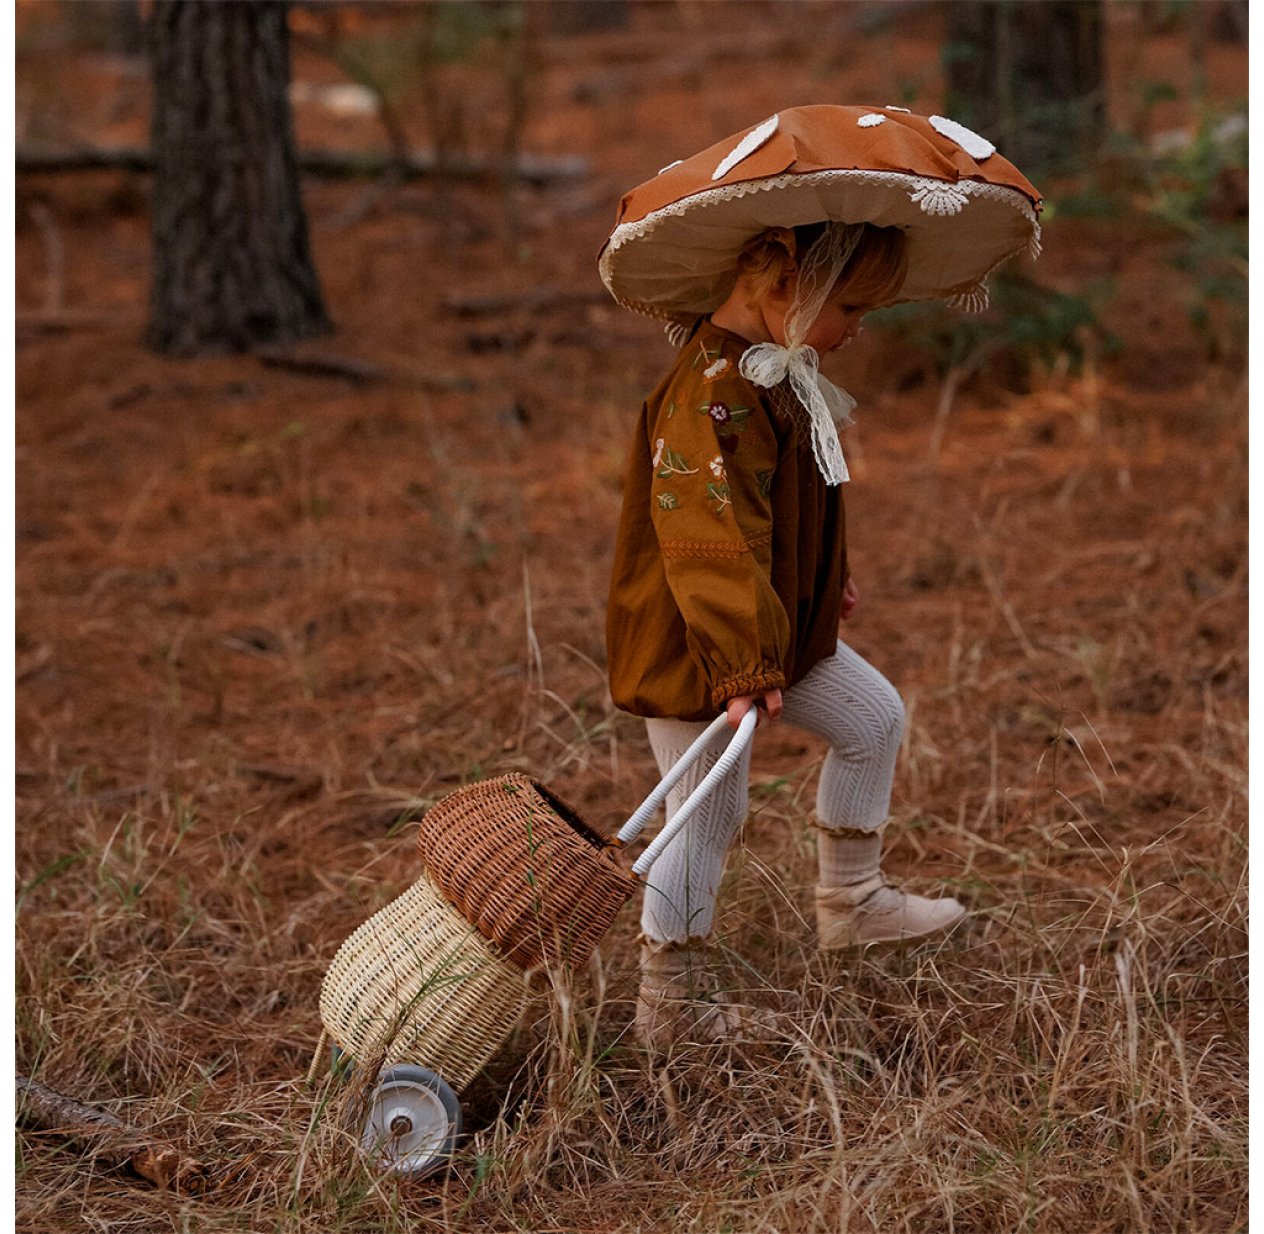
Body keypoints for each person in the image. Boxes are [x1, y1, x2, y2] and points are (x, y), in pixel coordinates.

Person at [599, 105, 1041, 1047]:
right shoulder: (709, 397)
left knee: (872, 718)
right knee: (704, 814)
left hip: (774, 632)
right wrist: (744, 662)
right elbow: (707, 543)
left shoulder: (776, 379)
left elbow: (798, 508)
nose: (855, 331)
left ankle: (854, 903)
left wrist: (823, 583)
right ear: (785, 284)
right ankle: (671, 1004)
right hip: (704, 647)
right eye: (851, 309)